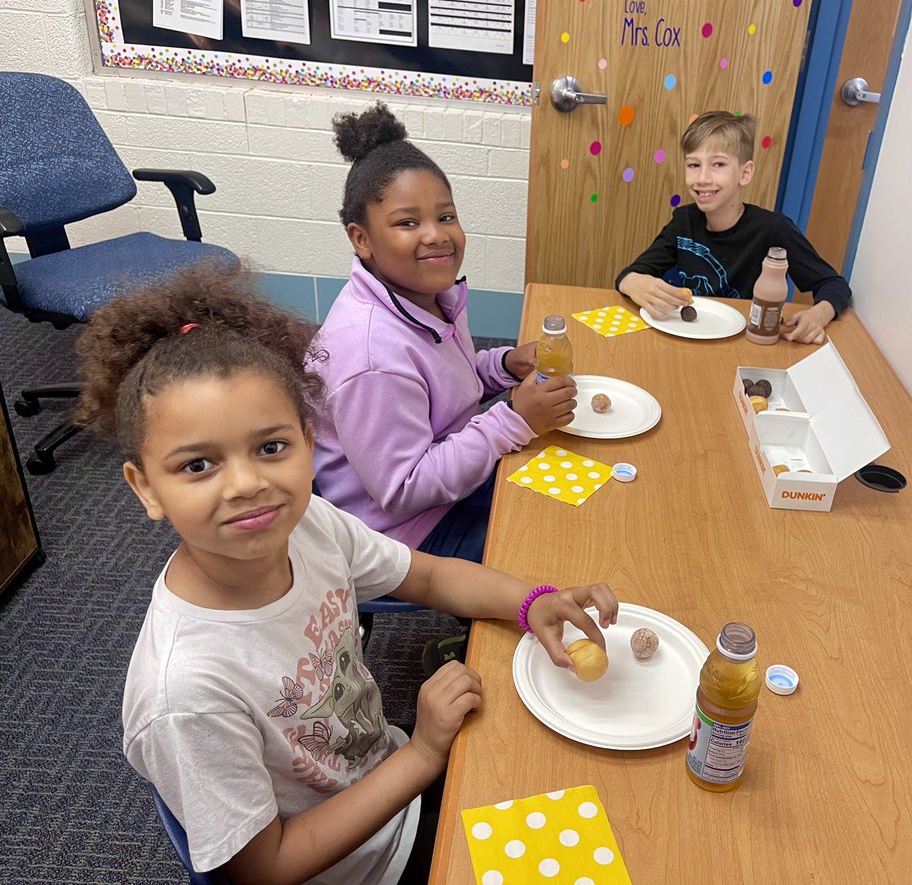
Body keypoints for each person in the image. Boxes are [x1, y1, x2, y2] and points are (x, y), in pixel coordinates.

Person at [74, 263, 617, 884]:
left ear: (310, 444)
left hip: (386, 774)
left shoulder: (308, 526)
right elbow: (265, 869)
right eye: (198, 465)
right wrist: (421, 754)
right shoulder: (188, 696)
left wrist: (531, 601)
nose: (248, 484)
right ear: (145, 488)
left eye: (271, 447)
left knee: (566, 762)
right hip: (363, 862)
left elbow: (431, 577)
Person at [309, 102, 576, 564]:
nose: (435, 235)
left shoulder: (426, 295)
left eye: (446, 216)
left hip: (445, 474)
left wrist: (503, 365)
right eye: (407, 222)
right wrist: (512, 417)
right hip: (401, 530)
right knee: (543, 545)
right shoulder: (372, 354)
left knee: (567, 476)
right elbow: (403, 489)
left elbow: (440, 386)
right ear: (362, 239)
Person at [615, 110, 852, 344]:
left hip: (745, 342)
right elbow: (632, 273)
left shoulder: (773, 229)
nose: (702, 178)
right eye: (694, 165)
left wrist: (818, 315)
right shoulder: (683, 221)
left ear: (745, 173)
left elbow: (834, 285)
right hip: (684, 337)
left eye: (718, 164)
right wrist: (632, 282)